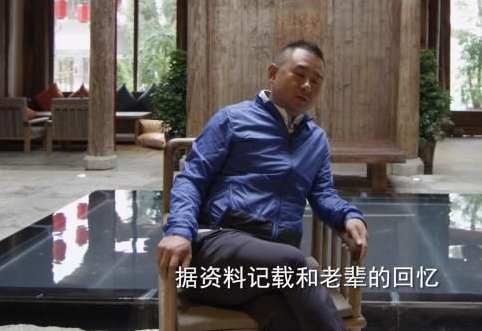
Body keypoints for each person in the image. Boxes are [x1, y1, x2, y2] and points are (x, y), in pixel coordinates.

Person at [157, 40, 368, 331]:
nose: (307, 86)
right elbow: (191, 179)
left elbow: (323, 193)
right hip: (219, 250)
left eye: (316, 81)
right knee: (294, 263)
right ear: (272, 73)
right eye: (299, 74)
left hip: (269, 271)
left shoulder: (316, 139)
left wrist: (348, 215)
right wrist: (179, 231)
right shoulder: (232, 120)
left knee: (287, 319)